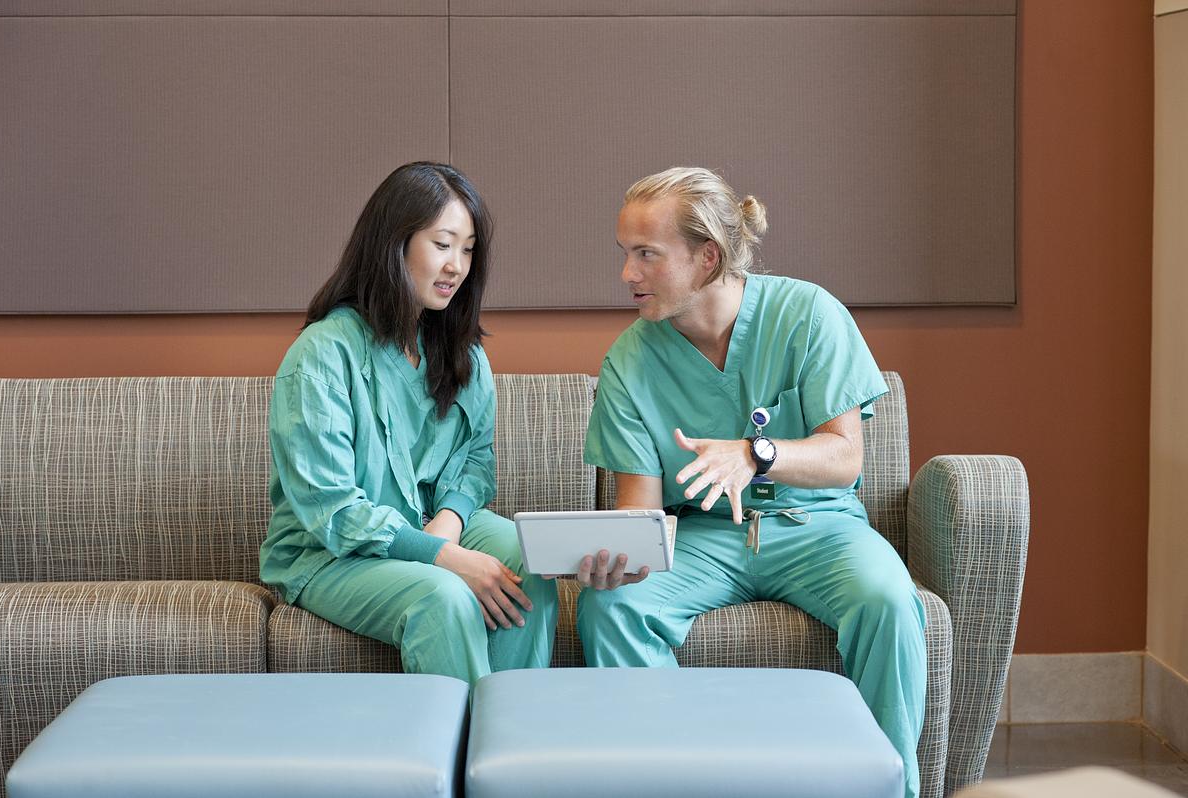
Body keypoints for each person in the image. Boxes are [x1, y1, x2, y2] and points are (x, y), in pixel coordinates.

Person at [576, 167, 927, 798]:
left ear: (707, 257)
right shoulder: (630, 359)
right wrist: (618, 560)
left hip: (816, 526)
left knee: (890, 603)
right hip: (702, 539)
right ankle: (668, 784)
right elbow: (641, 517)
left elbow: (846, 458)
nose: (627, 275)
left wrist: (755, 454)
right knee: (611, 606)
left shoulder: (808, 314)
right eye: (624, 254)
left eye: (646, 255)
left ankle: (892, 789)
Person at [260, 162, 557, 683]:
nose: (457, 266)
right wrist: (439, 555)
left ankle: (513, 745)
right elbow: (332, 509)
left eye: (468, 250)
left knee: (527, 565)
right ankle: (461, 756)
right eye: (443, 244)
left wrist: (449, 524)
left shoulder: (460, 351)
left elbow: (475, 460)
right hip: (331, 553)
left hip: (429, 526)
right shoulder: (322, 354)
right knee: (443, 598)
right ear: (394, 244)